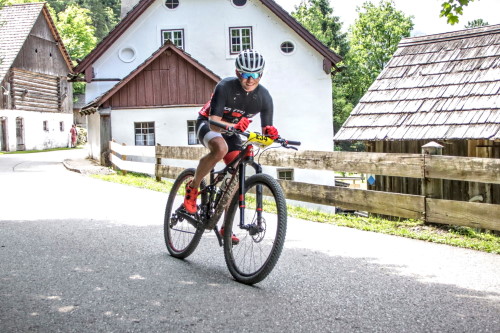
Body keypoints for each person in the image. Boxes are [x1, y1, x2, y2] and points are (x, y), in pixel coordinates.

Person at [183, 50, 279, 239]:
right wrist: (234, 125)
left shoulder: (264, 97)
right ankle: (193, 187)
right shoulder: (225, 86)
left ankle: (226, 226)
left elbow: (265, 133)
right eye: (245, 74)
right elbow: (214, 123)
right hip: (209, 124)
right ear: (237, 72)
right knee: (220, 148)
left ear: (261, 74)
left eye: (255, 75)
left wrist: (271, 135)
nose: (250, 80)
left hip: (234, 131)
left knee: (237, 171)